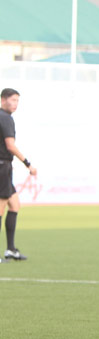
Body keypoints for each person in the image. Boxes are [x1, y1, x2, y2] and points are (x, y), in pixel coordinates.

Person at [0, 88, 37, 263]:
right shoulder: (5, 118)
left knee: (14, 205)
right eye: (13, 100)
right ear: (3, 99)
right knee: (1, 208)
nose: (15, 104)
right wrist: (27, 163)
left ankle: (11, 249)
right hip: (2, 167)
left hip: (4, 167)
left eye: (17, 101)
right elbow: (10, 146)